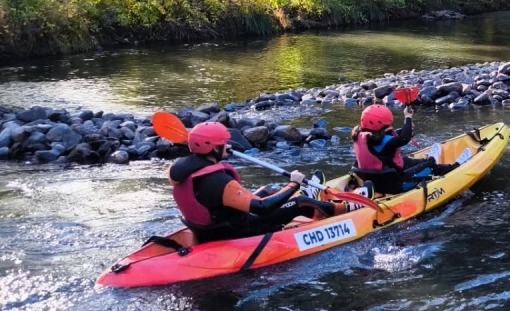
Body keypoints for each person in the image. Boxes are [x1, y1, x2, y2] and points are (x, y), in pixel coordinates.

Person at [168, 122, 351, 243]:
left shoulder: (178, 171)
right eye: (224, 143)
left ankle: (308, 197)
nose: (229, 146)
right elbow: (261, 208)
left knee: (266, 189)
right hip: (237, 231)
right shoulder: (220, 182)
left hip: (207, 228)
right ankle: (346, 209)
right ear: (214, 148)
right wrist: (294, 183)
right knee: (300, 202)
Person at [351, 104, 470, 195]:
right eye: (388, 125)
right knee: (431, 166)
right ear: (382, 127)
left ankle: (429, 159)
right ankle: (454, 166)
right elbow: (404, 138)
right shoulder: (388, 142)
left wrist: (406, 128)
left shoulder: (360, 136)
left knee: (405, 160)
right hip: (398, 186)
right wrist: (408, 118)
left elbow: (392, 137)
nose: (390, 126)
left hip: (373, 184)